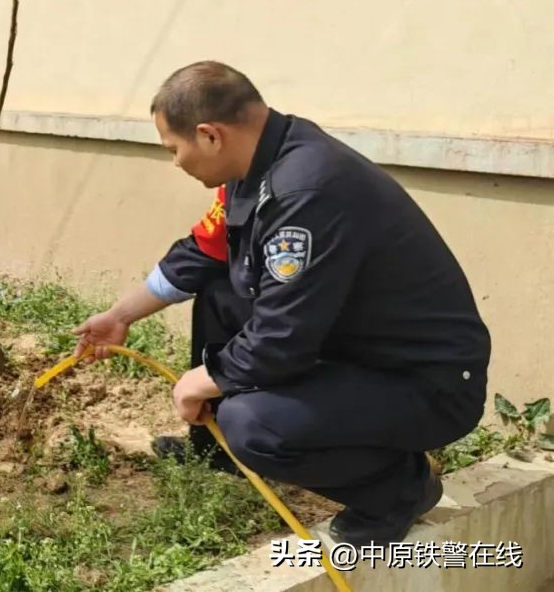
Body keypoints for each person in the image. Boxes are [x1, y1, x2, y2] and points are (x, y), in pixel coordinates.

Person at [73, 61, 490, 545]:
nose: (175, 162)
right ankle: (217, 453)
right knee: (221, 290)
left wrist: (203, 382)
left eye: (173, 148)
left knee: (252, 424)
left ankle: (398, 489)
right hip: (362, 354)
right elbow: (203, 252)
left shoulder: (306, 192)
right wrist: (120, 316)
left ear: (210, 135)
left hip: (425, 385)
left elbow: (281, 338)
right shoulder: (259, 166)